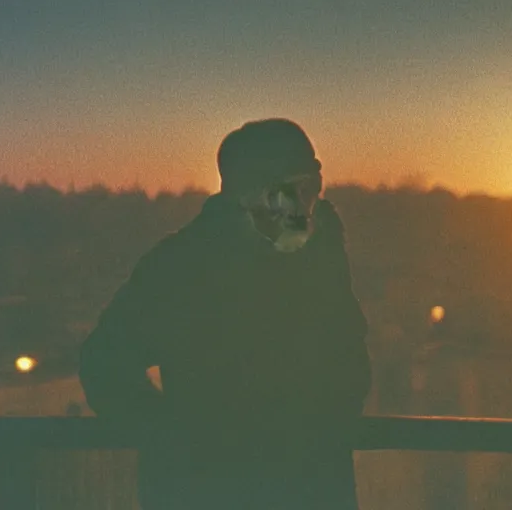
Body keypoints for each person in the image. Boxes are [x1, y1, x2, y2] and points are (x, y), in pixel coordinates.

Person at [79, 118, 371, 510]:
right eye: (285, 192)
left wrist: (174, 445)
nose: (303, 205)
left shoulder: (314, 253)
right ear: (244, 194)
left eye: (309, 188)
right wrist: (180, 442)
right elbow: (104, 364)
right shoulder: (182, 268)